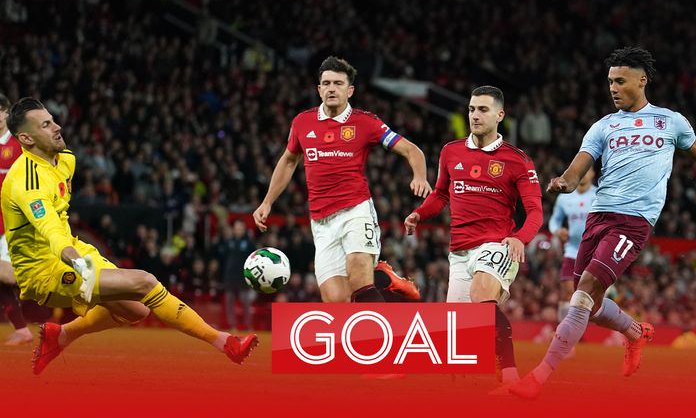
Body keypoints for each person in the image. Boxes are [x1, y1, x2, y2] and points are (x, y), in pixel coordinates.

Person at [509, 47, 696, 398]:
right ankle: (634, 331)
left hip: (633, 222)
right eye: (609, 82)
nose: (613, 87)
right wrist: (561, 183)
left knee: (583, 294)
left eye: (620, 80)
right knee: (589, 304)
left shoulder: (669, 121)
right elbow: (575, 173)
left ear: (641, 80)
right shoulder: (604, 126)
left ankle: (537, 379)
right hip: (598, 217)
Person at [2, 98, 257, 374]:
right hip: (44, 272)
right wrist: (79, 264)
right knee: (145, 282)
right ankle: (226, 342)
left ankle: (61, 335)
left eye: (53, 120)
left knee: (136, 311)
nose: (58, 126)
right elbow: (51, 230)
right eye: (46, 124)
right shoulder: (26, 183)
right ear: (26, 138)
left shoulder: (66, 161)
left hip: (74, 252)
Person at [253, 56, 429, 303]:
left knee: (359, 280)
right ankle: (383, 279)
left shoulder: (366, 122)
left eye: (338, 83)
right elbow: (289, 160)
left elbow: (412, 150)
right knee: (337, 301)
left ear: (350, 90)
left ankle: (384, 340)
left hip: (355, 211)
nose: (331, 88)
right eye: (326, 83)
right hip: (321, 222)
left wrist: (419, 176)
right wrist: (267, 201)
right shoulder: (303, 122)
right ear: (319, 89)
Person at [404, 86, 543, 392]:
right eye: (471, 109)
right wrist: (419, 214)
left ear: (500, 115)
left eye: (482, 109)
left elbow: (535, 211)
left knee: (482, 296)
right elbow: (441, 194)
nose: (475, 115)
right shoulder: (450, 151)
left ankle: (512, 379)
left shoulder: (518, 161)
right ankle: (485, 371)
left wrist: (520, 238)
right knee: (461, 334)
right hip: (459, 252)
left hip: (498, 244)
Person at [0, 93, 34, 345]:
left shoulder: (19, 145)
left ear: (6, 114)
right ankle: (21, 329)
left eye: (0, 111)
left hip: (10, 223)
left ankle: (64, 279)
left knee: (9, 277)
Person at [548, 166, 597, 325]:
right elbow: (554, 221)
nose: (583, 174)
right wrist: (557, 230)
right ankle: (564, 334)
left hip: (594, 252)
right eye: (581, 171)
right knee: (567, 293)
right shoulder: (564, 198)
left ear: (592, 174)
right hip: (572, 250)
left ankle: (579, 330)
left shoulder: (599, 195)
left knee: (589, 296)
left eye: (587, 170)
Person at [221, 219, 257, 330]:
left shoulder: (249, 243)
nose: (238, 231)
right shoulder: (228, 242)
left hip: (244, 277)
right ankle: (232, 325)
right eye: (236, 229)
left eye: (240, 229)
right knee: (229, 301)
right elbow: (223, 258)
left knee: (245, 301)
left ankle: (248, 324)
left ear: (244, 230)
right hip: (230, 276)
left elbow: (254, 259)